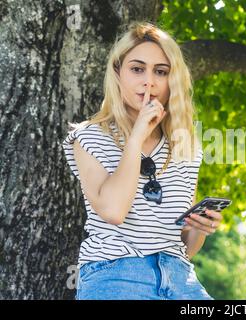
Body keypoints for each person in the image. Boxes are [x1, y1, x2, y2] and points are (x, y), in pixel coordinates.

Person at [62, 21, 222, 300]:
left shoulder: (186, 146)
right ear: (118, 73)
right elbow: (113, 211)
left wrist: (200, 229)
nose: (149, 81)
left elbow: (182, 244)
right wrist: (135, 138)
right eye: (137, 69)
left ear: (172, 81)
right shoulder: (88, 137)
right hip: (115, 272)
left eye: (160, 72)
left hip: (179, 277)